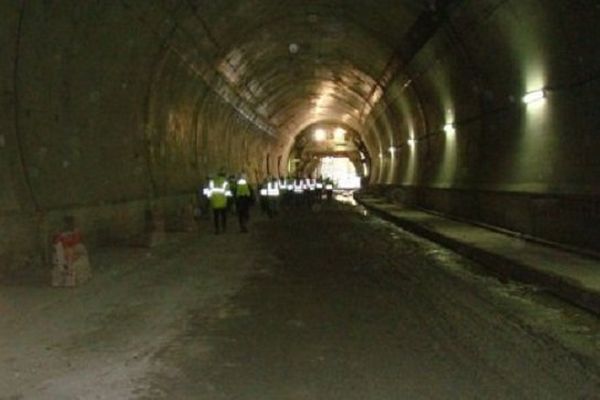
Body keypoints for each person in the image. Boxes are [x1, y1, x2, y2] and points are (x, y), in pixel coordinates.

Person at [209, 168, 231, 234]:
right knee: (223, 216)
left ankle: (217, 229)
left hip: (214, 202)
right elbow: (227, 192)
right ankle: (224, 228)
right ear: (224, 175)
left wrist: (211, 199)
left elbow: (210, 191)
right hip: (223, 202)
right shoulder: (225, 182)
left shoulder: (212, 181)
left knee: (216, 217)